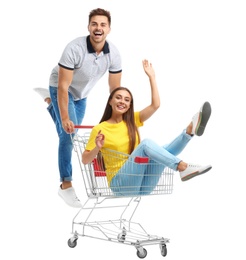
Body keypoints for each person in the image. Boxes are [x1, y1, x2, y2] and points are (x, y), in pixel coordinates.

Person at [82, 59, 212, 196]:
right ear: (110, 101)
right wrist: (97, 147)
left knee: (163, 151)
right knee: (146, 145)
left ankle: (190, 130)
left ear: (130, 105)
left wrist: (152, 77)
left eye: (127, 100)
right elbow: (85, 160)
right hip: (120, 184)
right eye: (118, 98)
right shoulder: (100, 129)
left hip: (142, 183)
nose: (122, 102)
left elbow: (155, 105)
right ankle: (182, 167)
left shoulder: (131, 120)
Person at [34, 8, 122, 208]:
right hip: (60, 87)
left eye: (102, 25)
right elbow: (64, 87)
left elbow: (114, 88)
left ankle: (49, 104)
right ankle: (66, 184)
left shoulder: (114, 54)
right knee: (68, 135)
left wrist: (116, 116)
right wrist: (65, 116)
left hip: (82, 95)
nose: (98, 28)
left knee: (68, 132)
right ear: (89, 27)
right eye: (94, 24)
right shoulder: (74, 48)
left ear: (108, 29)